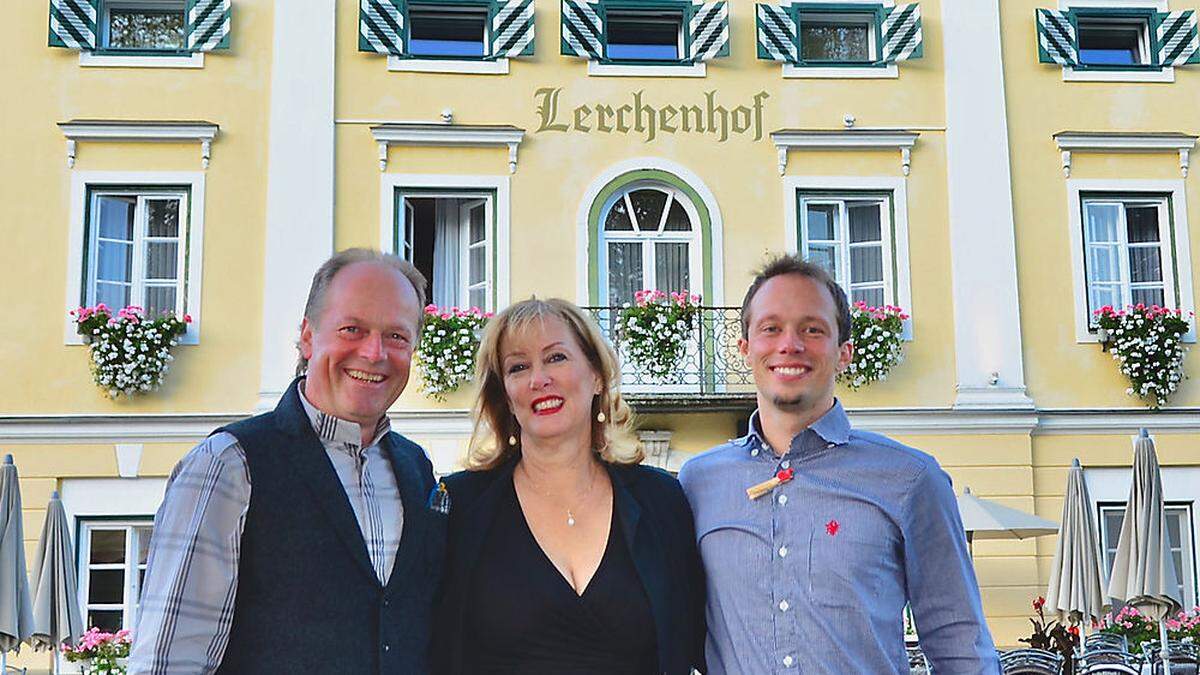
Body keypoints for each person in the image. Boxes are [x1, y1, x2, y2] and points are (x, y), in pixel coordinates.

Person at [678, 254, 1000, 674]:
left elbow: (961, 646)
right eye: (770, 329)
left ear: (844, 352)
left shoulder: (911, 480)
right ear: (745, 349)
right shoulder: (697, 483)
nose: (789, 345)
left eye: (812, 330)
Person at [130, 249, 443, 674]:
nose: (374, 353)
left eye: (397, 337)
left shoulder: (415, 468)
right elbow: (168, 660)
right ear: (309, 336)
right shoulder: (229, 463)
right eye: (352, 329)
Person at [432, 298, 705, 675]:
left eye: (556, 358)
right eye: (518, 367)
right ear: (507, 397)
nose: (538, 379)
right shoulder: (459, 506)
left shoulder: (661, 500)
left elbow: (699, 639)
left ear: (596, 376)